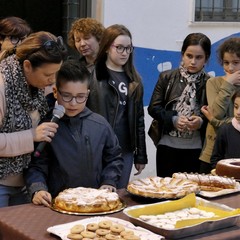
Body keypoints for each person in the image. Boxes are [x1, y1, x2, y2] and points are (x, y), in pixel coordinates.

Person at [24, 60, 124, 207]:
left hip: (95, 203)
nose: (73, 103)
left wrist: (109, 181)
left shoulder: (100, 125)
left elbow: (114, 157)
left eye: (80, 96)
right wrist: (37, 188)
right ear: (55, 92)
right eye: (67, 96)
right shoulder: (46, 128)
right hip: (59, 204)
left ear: (88, 94)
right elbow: (36, 165)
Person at [0, 31, 67, 207]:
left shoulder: (36, 86)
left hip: (24, 180)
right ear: (28, 66)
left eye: (55, 74)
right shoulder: (2, 84)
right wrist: (31, 135)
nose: (52, 81)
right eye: (47, 75)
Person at [87, 24, 148, 188]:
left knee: (117, 196)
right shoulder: (92, 75)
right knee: (92, 196)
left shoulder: (134, 80)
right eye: (119, 47)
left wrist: (140, 155)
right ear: (107, 47)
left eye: (128, 48)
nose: (124, 53)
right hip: (96, 148)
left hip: (124, 150)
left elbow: (139, 120)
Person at [148, 33, 211, 177]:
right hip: (167, 146)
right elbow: (154, 108)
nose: (193, 61)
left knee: (192, 194)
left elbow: (214, 114)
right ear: (182, 55)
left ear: (206, 58)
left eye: (199, 57)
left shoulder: (210, 82)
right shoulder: (167, 77)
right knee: (166, 192)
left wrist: (201, 121)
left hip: (196, 149)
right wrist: (173, 119)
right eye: (189, 56)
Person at [199, 37, 240, 173]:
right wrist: (228, 84)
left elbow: (216, 117)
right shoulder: (213, 83)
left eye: (236, 62)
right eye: (226, 62)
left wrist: (214, 121)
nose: (230, 68)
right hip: (211, 152)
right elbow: (217, 112)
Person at [210, 89, 240, 168]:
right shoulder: (225, 130)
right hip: (229, 178)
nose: (238, 112)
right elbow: (215, 159)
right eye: (236, 107)